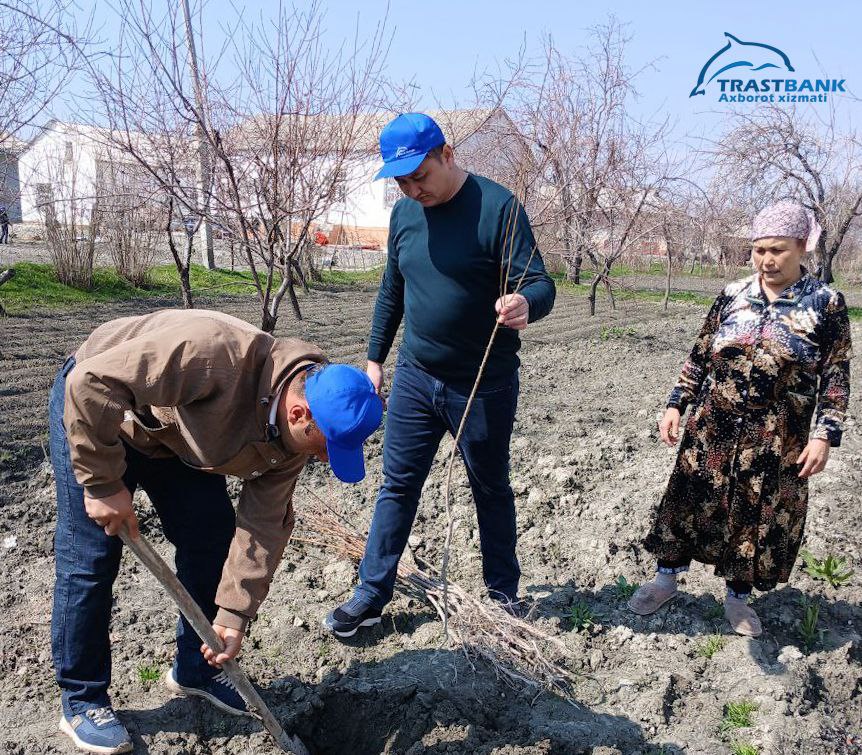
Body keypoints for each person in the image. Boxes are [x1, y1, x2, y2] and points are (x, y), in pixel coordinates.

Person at [50, 309, 382, 754]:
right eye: (326, 449)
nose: (325, 461)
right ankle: (82, 697)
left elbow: (263, 527)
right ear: (299, 413)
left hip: (173, 437)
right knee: (91, 560)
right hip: (100, 411)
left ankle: (195, 669)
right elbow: (90, 383)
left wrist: (232, 616)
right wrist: (103, 484)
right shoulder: (209, 354)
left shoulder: (291, 441)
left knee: (211, 539)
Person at [324, 112, 556, 638]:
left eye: (419, 175)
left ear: (447, 154)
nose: (412, 188)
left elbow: (541, 282)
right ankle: (371, 591)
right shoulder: (405, 217)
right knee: (397, 485)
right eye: (401, 180)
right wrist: (376, 357)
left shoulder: (498, 209)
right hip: (415, 374)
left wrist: (525, 302)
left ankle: (502, 594)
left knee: (489, 486)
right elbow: (392, 289)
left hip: (482, 383)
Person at [629, 200, 853, 637]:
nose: (767, 260)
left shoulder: (825, 303)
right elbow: (699, 356)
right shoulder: (733, 295)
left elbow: (836, 375)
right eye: (759, 249)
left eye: (778, 250)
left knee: (755, 516)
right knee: (687, 504)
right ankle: (664, 581)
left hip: (776, 437)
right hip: (712, 428)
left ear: (803, 247)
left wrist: (824, 435)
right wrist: (677, 403)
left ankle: (737, 601)